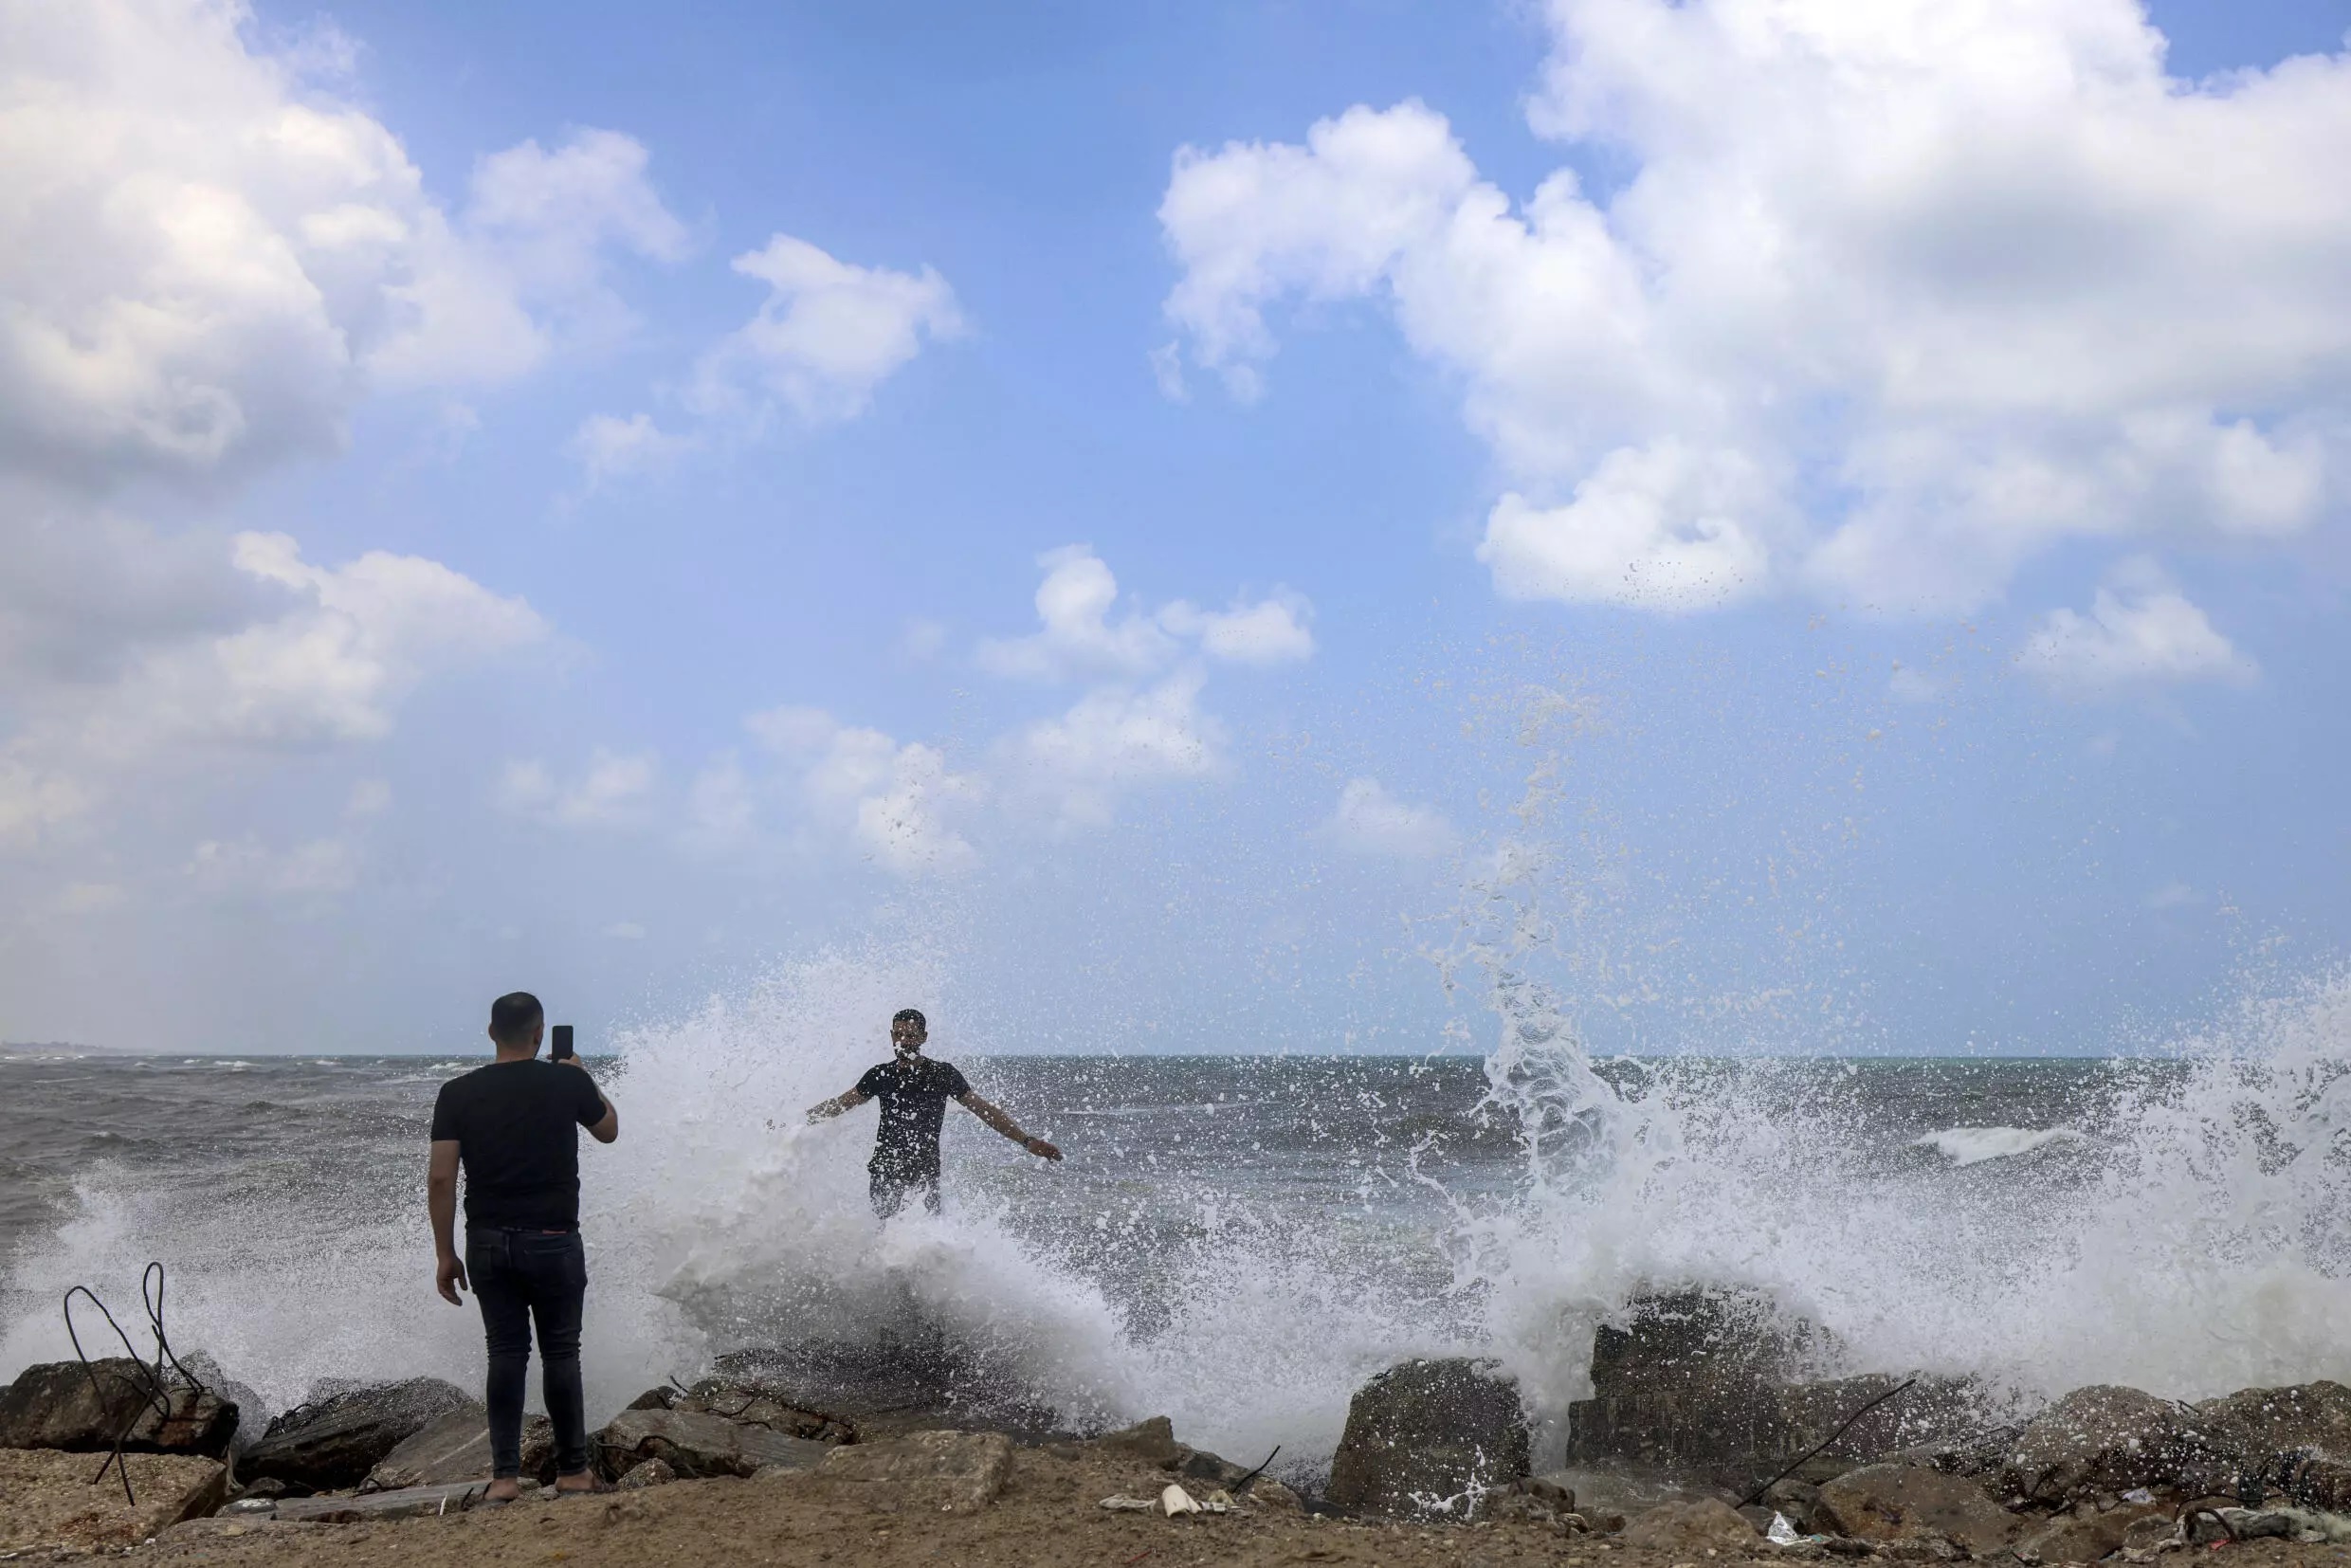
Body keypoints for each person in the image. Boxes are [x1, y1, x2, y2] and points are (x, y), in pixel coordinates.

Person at [427, 993, 618, 1502]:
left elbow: (441, 1179)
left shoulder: (457, 1093)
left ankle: (505, 1480)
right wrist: (582, 1074)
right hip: (554, 1241)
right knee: (560, 1353)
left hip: (488, 1244)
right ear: (540, 1035)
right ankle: (573, 1474)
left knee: (505, 1354)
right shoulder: (567, 1081)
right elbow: (609, 1131)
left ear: (491, 1032)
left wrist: (446, 1253)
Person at [806, 1008, 1061, 1217]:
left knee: (924, 1252)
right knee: (885, 1243)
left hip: (924, 1174)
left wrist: (1026, 1140)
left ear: (924, 1037)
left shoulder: (942, 1074)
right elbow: (839, 1104)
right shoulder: (880, 1075)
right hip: (885, 1172)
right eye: (898, 1034)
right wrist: (795, 1122)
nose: (903, 1041)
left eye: (910, 1035)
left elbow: (984, 1110)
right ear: (891, 1035)